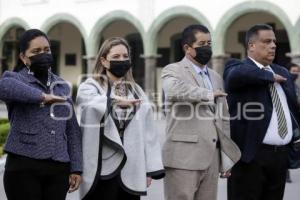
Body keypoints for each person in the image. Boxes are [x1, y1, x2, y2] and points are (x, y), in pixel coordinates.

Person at [76, 37, 165, 200]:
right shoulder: (91, 86)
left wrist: (149, 169)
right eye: (116, 57)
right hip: (101, 168)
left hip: (130, 168)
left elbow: (149, 133)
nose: (122, 60)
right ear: (104, 60)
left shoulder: (137, 90)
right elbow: (88, 102)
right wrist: (115, 102)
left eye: (125, 56)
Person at [0, 29, 82, 200]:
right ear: (23, 57)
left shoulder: (61, 85)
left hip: (58, 169)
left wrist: (76, 167)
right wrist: (43, 97)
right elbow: (4, 87)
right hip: (23, 167)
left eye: (47, 50)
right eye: (36, 51)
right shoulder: (15, 79)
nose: (43, 54)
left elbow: (72, 129)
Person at [161, 24, 240, 200]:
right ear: (187, 48)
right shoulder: (173, 70)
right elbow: (174, 90)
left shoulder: (216, 76)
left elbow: (223, 118)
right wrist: (208, 94)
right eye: (202, 43)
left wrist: (226, 158)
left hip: (211, 159)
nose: (207, 48)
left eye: (209, 43)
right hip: (183, 159)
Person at [224, 24, 300, 200]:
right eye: (266, 41)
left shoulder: (282, 72)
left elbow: (291, 107)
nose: (273, 45)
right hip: (250, 156)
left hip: (280, 157)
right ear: (251, 45)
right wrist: (269, 76)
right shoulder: (236, 67)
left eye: (274, 41)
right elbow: (237, 75)